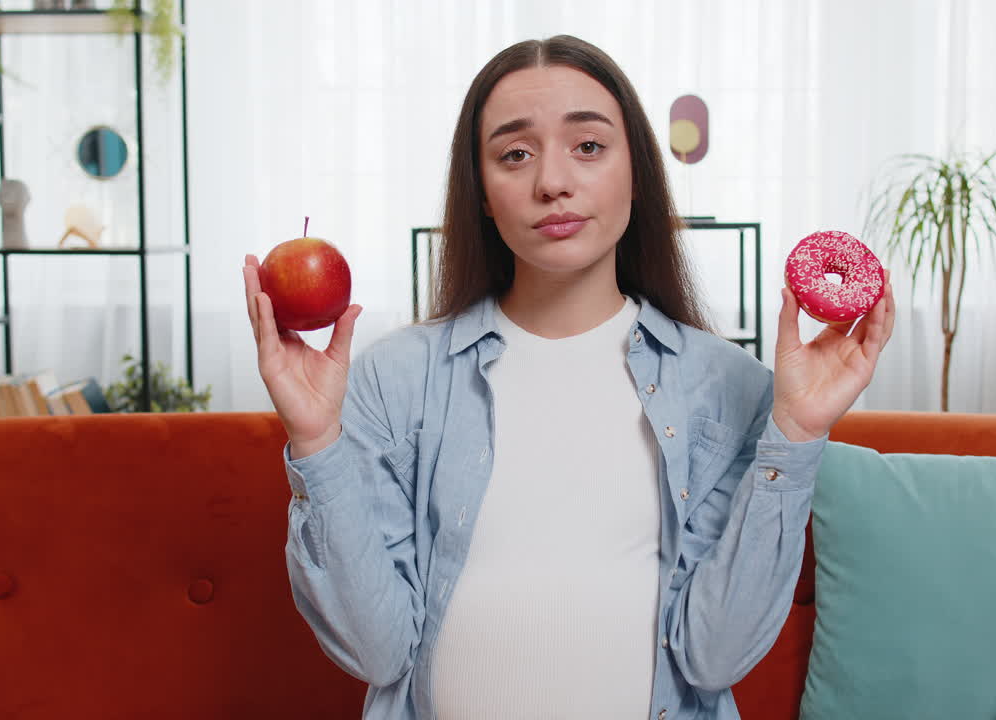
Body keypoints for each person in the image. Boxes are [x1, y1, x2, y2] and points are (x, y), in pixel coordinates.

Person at [242, 34, 894, 720]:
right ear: (484, 195)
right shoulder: (394, 379)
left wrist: (795, 433)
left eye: (588, 147)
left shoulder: (727, 385)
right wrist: (316, 441)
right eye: (515, 153)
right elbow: (375, 651)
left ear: (636, 173)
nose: (552, 181)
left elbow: (716, 657)